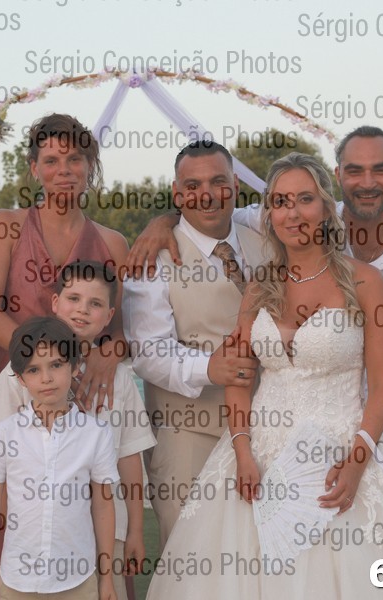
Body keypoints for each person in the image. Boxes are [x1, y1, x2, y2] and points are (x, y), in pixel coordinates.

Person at [146, 153, 383, 599]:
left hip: (344, 451)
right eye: (281, 202)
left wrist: (357, 461)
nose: (293, 213)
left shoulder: (365, 282)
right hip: (259, 458)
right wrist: (243, 452)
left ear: (327, 207)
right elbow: (240, 377)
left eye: (305, 199)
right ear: (269, 214)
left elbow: (381, 387)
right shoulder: (260, 285)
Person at [0, 260, 156, 599]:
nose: (82, 310)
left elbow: (130, 458)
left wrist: (135, 530)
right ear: (55, 303)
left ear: (109, 315)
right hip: (35, 539)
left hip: (108, 532)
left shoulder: (120, 379)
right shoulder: (19, 376)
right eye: (73, 298)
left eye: (95, 303)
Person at [122, 140, 265, 546]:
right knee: (190, 558)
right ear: (176, 192)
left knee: (265, 557)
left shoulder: (268, 240)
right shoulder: (152, 258)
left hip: (267, 430)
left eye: (218, 181)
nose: (207, 194)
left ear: (235, 185)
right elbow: (148, 353)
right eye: (193, 185)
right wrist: (209, 368)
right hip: (188, 434)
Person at [0, 113, 129, 407]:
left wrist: (110, 352)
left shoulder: (114, 244)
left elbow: (121, 328)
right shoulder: (5, 226)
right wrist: (48, 359)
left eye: (74, 159)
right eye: (52, 161)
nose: (64, 170)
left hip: (87, 394)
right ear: (35, 168)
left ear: (89, 164)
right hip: (17, 387)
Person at [0, 317, 119, 600]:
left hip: (79, 581)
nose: (46, 378)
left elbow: (103, 506)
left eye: (56, 364)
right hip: (17, 582)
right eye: (33, 369)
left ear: (74, 366)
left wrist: (106, 579)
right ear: (20, 378)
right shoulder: (3, 435)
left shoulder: (96, 434)